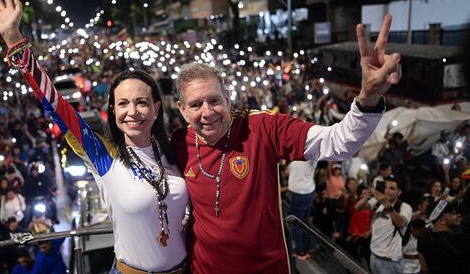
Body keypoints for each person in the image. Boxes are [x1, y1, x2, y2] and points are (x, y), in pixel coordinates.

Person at [172, 14, 402, 273]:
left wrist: (368, 96)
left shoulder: (263, 127)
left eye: (214, 100)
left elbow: (338, 144)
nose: (207, 112)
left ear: (227, 97)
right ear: (181, 109)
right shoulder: (178, 143)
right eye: (195, 104)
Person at [0, 0, 188, 273]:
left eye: (141, 102)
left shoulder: (178, 150)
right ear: (113, 110)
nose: (133, 112)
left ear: (156, 109)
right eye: (123, 104)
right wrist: (15, 41)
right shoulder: (104, 156)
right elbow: (56, 105)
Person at [355, 176, 412, 273]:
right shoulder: (377, 202)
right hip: (373, 256)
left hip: (390, 262)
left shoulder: (404, 207)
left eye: (392, 188)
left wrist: (389, 207)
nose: (388, 191)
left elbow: (401, 223)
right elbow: (357, 208)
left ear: (399, 192)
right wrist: (366, 197)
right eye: (386, 187)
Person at [417, 200, 470, 273]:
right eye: (453, 213)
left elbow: (423, 267)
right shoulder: (458, 240)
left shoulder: (422, 237)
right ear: (441, 220)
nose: (458, 215)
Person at [287, 160, 317, 260]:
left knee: (296, 223)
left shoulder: (304, 156)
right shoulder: (312, 156)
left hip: (300, 194)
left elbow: (288, 171)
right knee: (305, 221)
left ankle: (300, 251)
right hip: (308, 191)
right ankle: (310, 246)